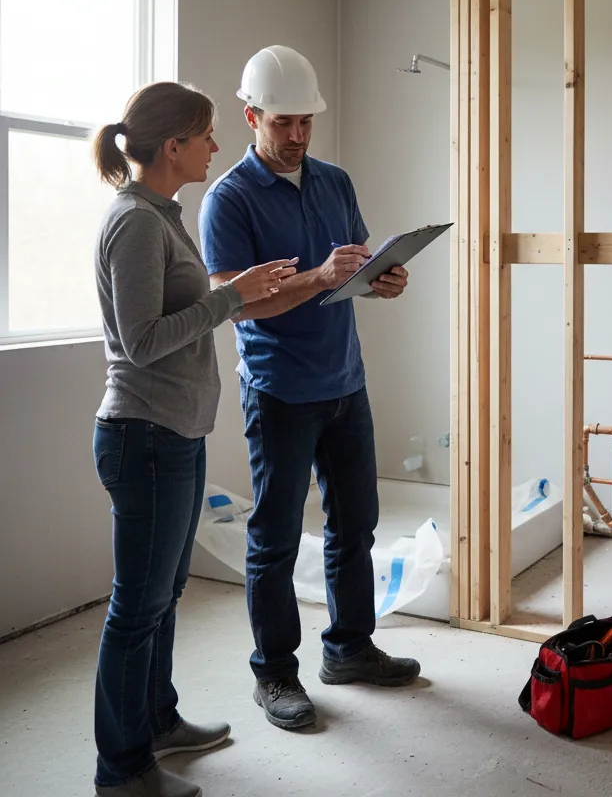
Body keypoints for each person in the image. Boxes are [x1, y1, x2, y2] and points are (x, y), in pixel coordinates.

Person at [197, 45, 418, 733]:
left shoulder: (335, 181)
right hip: (280, 391)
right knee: (275, 538)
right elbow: (233, 302)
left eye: (306, 124)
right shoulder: (227, 200)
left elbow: (348, 264)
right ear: (251, 116)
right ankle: (275, 674)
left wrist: (382, 278)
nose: (297, 136)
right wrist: (318, 278)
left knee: (355, 525)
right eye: (283, 123)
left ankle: (349, 648)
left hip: (345, 383)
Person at [91, 82, 299, 797]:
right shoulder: (136, 224)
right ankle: (121, 769)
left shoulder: (163, 215)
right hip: (142, 436)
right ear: (172, 145)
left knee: (164, 592)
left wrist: (235, 288)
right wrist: (232, 296)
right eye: (207, 134)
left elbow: (188, 307)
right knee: (137, 607)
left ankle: (158, 721)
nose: (216, 146)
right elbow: (142, 341)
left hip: (174, 433)